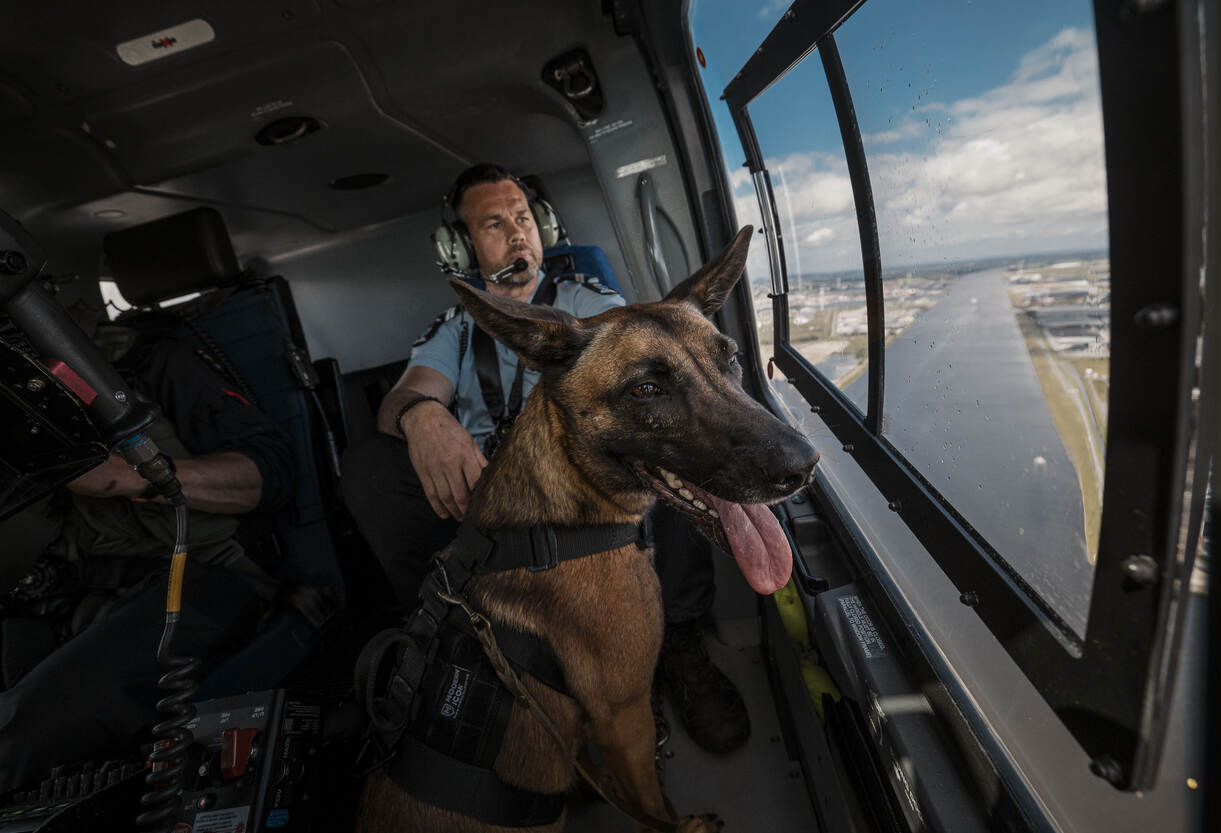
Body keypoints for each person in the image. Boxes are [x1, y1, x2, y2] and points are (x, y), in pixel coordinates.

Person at [340, 163, 751, 754]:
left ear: (545, 228)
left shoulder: (591, 301)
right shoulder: (454, 328)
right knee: (368, 468)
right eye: (492, 224)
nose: (516, 234)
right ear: (459, 246)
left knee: (658, 441)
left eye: (524, 218)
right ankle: (455, 637)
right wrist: (423, 417)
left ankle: (677, 641)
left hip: (584, 487)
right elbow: (407, 394)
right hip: (493, 496)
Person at [0, 318, 294, 795]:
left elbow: (269, 476)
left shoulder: (141, 361)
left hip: (203, 579)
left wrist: (129, 476)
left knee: (21, 726)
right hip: (79, 594)